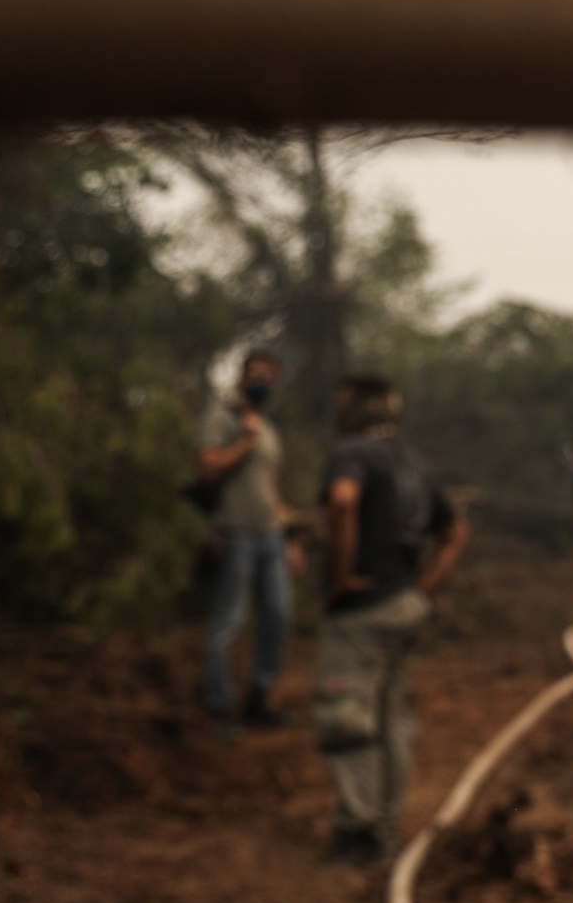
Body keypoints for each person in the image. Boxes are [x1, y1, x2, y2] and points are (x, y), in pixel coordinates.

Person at [314, 374, 469, 864]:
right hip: (404, 608)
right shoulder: (413, 463)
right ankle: (383, 828)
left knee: (348, 717)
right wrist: (419, 589)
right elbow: (456, 532)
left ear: (358, 404)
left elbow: (342, 502)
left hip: (361, 612)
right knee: (391, 719)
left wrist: (340, 578)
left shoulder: (352, 454)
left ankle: (358, 834)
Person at [196, 349, 300, 733]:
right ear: (240, 377)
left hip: (270, 539)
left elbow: (271, 487)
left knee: (278, 617)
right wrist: (245, 440)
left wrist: (290, 537)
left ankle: (258, 698)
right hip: (235, 535)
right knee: (227, 623)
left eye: (269, 376)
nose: (262, 382)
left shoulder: (270, 430)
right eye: (255, 374)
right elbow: (207, 468)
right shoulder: (221, 418)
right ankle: (220, 707)